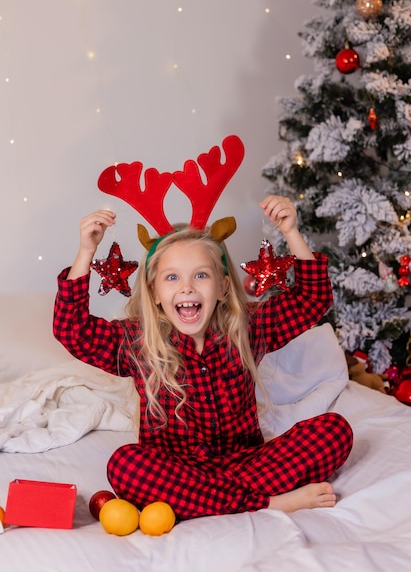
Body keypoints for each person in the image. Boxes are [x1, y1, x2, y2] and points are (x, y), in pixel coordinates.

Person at [53, 195, 353, 521]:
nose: (186, 288)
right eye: (172, 278)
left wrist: (292, 232)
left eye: (200, 275)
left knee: (335, 430)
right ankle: (270, 503)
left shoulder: (246, 329)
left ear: (223, 287)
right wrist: (86, 252)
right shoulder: (137, 342)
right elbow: (72, 330)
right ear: (154, 293)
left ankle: (204, 499)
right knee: (125, 465)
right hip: (176, 468)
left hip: (247, 461)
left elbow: (314, 299)